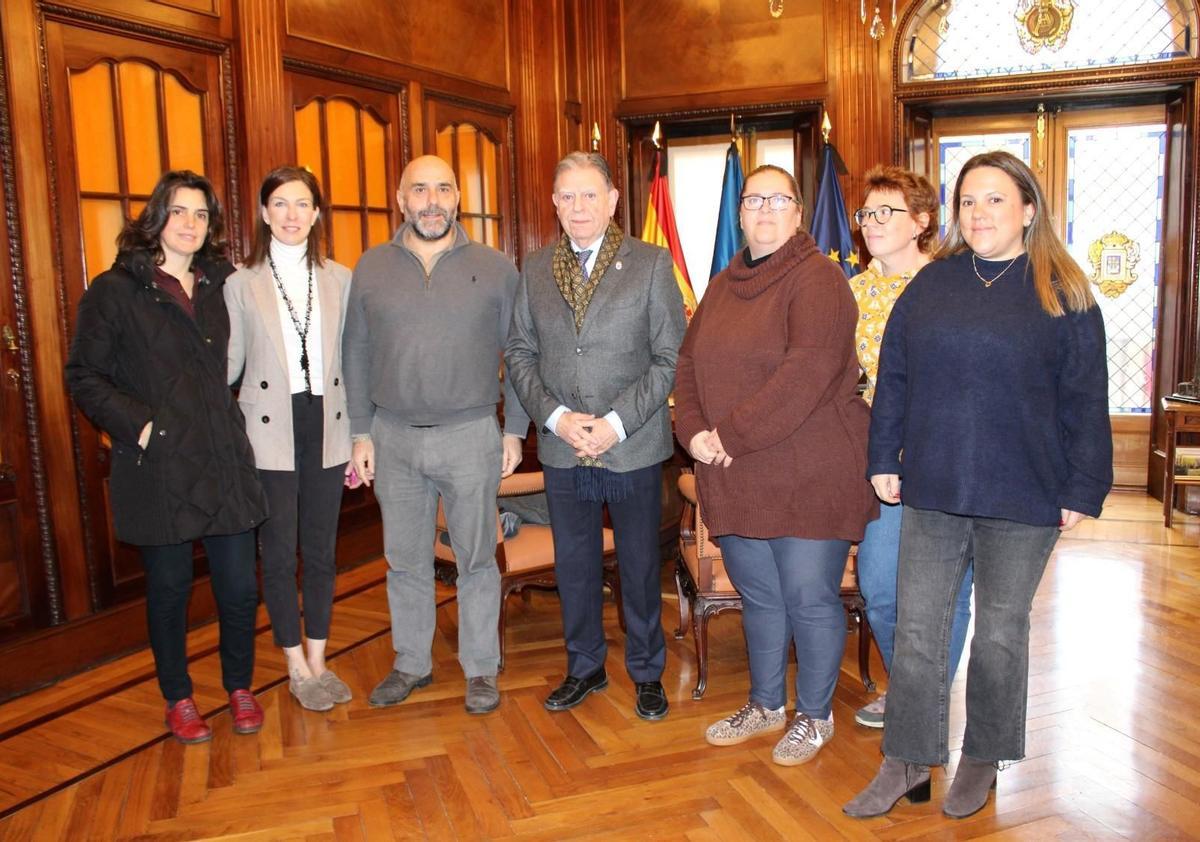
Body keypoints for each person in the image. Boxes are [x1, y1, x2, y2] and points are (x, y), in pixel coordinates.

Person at [845, 151, 1112, 819]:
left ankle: (984, 758)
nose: (978, 212)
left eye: (994, 199)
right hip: (933, 486)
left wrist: (1083, 487)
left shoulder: (1064, 290)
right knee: (918, 629)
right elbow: (895, 378)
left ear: (1028, 209)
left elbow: (1085, 397)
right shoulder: (932, 286)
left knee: (998, 632)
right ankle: (908, 760)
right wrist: (885, 457)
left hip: (1024, 495)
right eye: (968, 200)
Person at [674, 164, 877, 765]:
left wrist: (727, 434)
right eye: (752, 199)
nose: (763, 209)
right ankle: (766, 704)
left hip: (808, 472)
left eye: (777, 199)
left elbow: (806, 374)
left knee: (809, 598)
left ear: (798, 212)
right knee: (759, 597)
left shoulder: (819, 280)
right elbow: (686, 366)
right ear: (739, 212)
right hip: (734, 471)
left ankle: (813, 717)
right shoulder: (720, 285)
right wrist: (692, 434)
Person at [65, 170, 268, 744]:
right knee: (171, 587)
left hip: (223, 456)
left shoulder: (224, 284)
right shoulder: (116, 290)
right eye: (179, 212)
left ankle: (239, 686)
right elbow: (84, 374)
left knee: (237, 586)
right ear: (155, 218)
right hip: (158, 465)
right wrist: (143, 426)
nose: (190, 224)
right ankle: (178, 697)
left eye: (201, 215)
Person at [343, 154, 529, 715]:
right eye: (419, 190)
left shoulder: (496, 268)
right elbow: (355, 351)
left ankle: (479, 668)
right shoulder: (371, 267)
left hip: (471, 434)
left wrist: (515, 430)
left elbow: (520, 353)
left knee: (475, 559)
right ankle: (412, 664)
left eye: (443, 188)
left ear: (456, 199)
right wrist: (359, 431)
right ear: (401, 200)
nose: (432, 200)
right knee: (404, 561)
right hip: (392, 436)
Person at [505, 151, 685, 721]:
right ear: (554, 204)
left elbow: (669, 358)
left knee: (636, 565)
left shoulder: (653, 265)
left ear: (611, 201)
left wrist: (612, 424)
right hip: (562, 445)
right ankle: (584, 668)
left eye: (590, 195)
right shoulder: (533, 268)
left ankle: (647, 673)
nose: (578, 207)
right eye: (567, 196)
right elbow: (520, 353)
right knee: (574, 565)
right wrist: (556, 419)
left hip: (630, 444)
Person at [848, 165, 974, 729]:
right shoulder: (849, 293)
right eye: (866, 213)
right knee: (880, 589)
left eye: (886, 212)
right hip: (879, 464)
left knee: (944, 591)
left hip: (946, 459)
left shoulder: (954, 286)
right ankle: (912, 689)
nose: (872, 223)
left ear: (921, 221)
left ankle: (925, 701)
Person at [225, 166, 353, 712]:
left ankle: (321, 658)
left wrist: (362, 438)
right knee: (278, 553)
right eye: (280, 204)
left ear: (317, 213)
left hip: (328, 423)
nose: (292, 215)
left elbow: (353, 361)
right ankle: (294, 661)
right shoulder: (239, 283)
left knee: (321, 550)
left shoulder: (340, 278)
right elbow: (228, 365)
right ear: (263, 213)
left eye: (302, 204)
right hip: (268, 428)